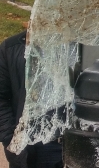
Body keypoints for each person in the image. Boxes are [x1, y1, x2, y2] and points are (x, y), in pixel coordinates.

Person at [0, 31, 62, 168]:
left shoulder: (80, 47)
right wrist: (11, 140)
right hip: (28, 147)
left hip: (68, 143)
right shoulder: (11, 48)